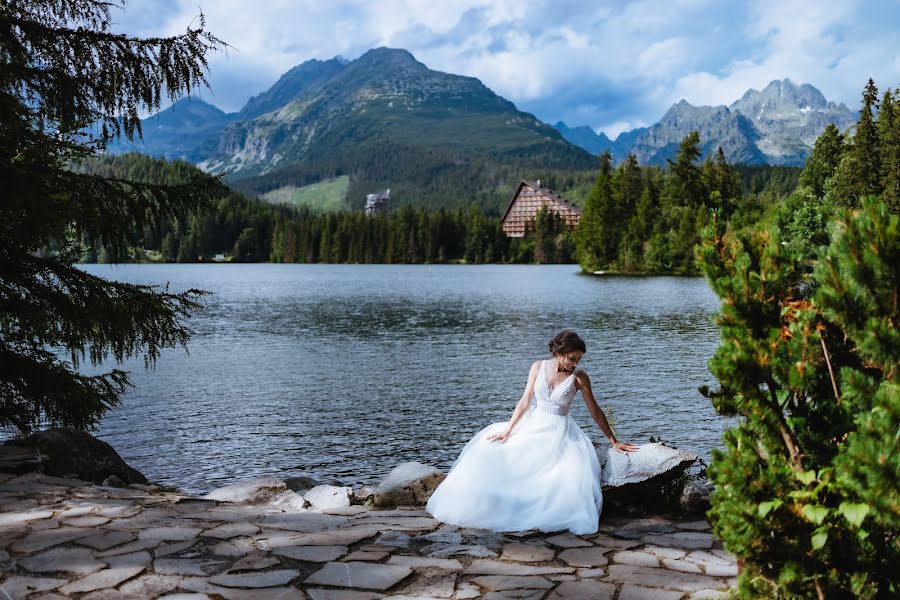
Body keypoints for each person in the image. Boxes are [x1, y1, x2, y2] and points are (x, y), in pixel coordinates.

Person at [426, 330, 638, 535]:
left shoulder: (579, 376)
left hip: (559, 429)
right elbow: (526, 400)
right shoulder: (538, 366)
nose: (575, 363)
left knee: (560, 473)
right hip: (534, 421)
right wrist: (509, 429)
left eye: (579, 359)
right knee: (493, 449)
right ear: (559, 352)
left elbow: (595, 410)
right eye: (572, 358)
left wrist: (613, 440)